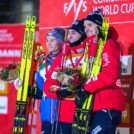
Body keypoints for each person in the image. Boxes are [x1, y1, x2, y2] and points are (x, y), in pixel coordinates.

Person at [75, 9, 126, 134]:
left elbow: (109, 74)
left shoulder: (108, 44)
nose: (86, 28)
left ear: (99, 25)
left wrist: (86, 88)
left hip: (106, 104)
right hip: (94, 105)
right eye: (85, 26)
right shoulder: (90, 47)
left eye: (90, 25)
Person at [43, 20, 87, 134]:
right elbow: (48, 84)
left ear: (82, 34)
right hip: (65, 113)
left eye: (74, 33)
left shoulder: (90, 54)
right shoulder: (63, 56)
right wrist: (59, 92)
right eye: (69, 32)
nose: (70, 36)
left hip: (84, 111)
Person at [36, 27, 65, 134]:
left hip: (62, 113)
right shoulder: (43, 63)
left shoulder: (65, 60)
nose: (48, 43)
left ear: (60, 41)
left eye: (52, 40)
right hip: (46, 113)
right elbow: (40, 86)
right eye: (47, 40)